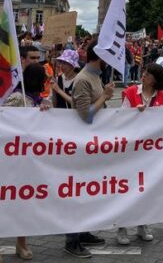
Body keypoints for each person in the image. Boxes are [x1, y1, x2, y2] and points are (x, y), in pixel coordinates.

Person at [0, 63, 52, 263]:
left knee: (25, 203)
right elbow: (1, 121)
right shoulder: (16, 98)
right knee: (2, 203)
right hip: (9, 159)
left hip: (29, 160)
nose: (46, 81)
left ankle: (22, 243)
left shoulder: (40, 101)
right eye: (44, 77)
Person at [64, 40, 112, 257]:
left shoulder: (95, 76)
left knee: (88, 191)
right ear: (99, 56)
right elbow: (85, 115)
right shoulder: (83, 79)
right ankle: (72, 240)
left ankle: (82, 231)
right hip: (82, 145)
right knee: (78, 193)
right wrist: (105, 97)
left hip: (93, 144)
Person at [115, 64, 163, 245]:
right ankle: (122, 226)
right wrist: (133, 113)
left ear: (157, 79)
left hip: (150, 149)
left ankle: (142, 224)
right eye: (145, 72)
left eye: (149, 74)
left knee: (145, 188)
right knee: (127, 187)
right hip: (130, 148)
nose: (144, 75)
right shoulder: (130, 92)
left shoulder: (162, 95)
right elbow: (120, 116)